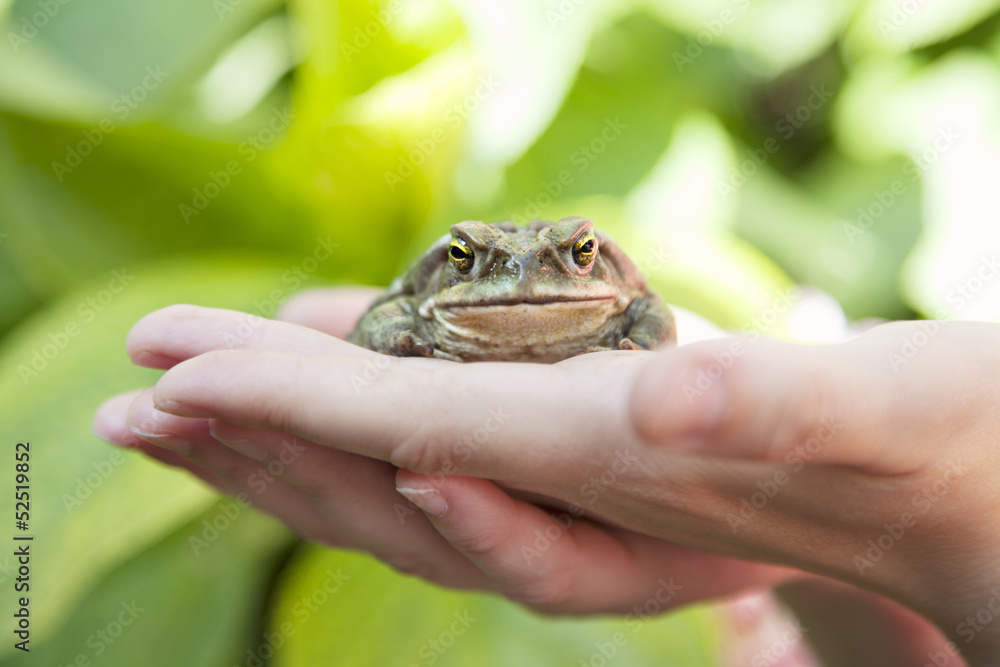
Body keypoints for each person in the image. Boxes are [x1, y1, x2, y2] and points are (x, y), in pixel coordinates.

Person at [94, 288, 999, 666]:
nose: (524, 280)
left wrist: (950, 515)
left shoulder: (630, 312)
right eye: (471, 258)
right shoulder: (425, 305)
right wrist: (821, 548)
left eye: (567, 258)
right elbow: (380, 324)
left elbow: (646, 318)